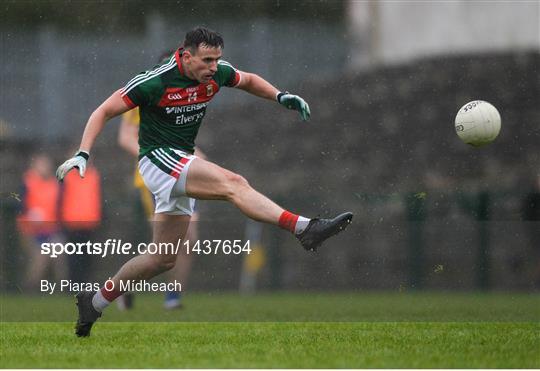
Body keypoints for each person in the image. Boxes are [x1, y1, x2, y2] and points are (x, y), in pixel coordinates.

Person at [56, 27, 353, 337]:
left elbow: (248, 80)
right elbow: (103, 111)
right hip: (158, 160)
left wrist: (281, 96)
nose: (213, 67)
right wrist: (83, 154)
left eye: (217, 60)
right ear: (186, 55)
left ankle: (95, 301)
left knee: (161, 259)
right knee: (233, 183)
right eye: (207, 60)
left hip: (179, 161)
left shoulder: (215, 74)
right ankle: (305, 228)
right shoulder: (154, 81)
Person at [117, 79, 203, 310]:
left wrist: (201, 161)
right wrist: (158, 156)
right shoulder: (146, 94)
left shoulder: (191, 98)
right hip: (155, 179)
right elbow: (125, 137)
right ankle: (123, 284)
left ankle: (172, 297)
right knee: (165, 245)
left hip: (184, 176)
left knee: (187, 240)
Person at [17, 154, 66, 290]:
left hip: (50, 228)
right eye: (40, 164)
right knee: (40, 259)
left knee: (60, 255)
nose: (44, 167)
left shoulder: (55, 183)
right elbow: (20, 206)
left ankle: (61, 289)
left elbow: (59, 206)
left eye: (46, 164)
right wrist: (30, 216)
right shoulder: (27, 182)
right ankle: (29, 289)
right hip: (31, 229)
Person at [60, 160, 102, 284]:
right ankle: (73, 284)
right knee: (73, 258)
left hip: (89, 223)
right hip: (72, 223)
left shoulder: (94, 176)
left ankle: (84, 283)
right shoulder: (67, 176)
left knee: (86, 258)